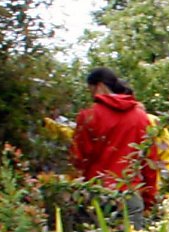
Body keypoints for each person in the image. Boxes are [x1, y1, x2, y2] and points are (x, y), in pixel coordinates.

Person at [69, 67, 160, 219]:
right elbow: (150, 160)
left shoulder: (89, 116)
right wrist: (149, 198)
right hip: (130, 194)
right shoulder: (141, 117)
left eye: (90, 90)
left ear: (98, 86)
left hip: (97, 192)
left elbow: (79, 158)